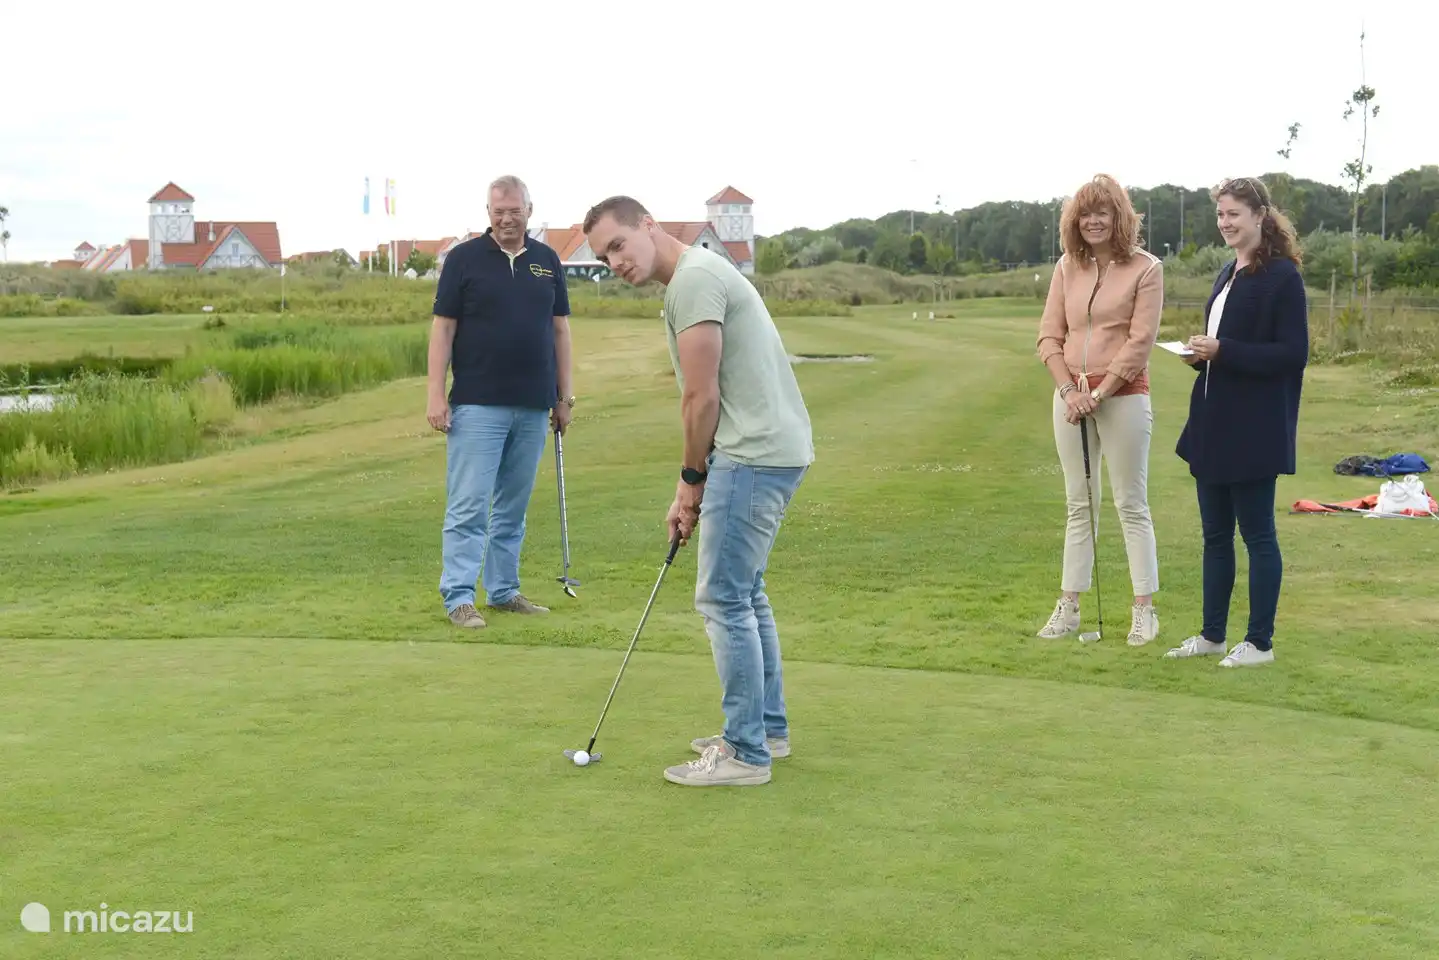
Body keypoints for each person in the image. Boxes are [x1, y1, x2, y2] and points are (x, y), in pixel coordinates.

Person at [581, 195, 814, 788]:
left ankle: (746, 753)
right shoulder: (698, 276)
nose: (614, 262)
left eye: (617, 245)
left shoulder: (693, 280)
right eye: (603, 258)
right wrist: (691, 482)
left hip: (752, 453)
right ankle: (766, 731)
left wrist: (690, 482)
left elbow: (701, 397)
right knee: (746, 593)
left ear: (648, 225)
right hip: (766, 449)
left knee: (724, 598)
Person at [1167, 177, 1308, 668]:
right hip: (1213, 425)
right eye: (1220, 215)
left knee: (1258, 536)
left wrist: (1224, 350)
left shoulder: (1283, 277)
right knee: (1214, 537)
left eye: (1233, 214)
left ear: (1260, 216)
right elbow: (1224, 352)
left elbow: (1292, 354)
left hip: (1254, 430)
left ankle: (1260, 644)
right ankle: (1212, 636)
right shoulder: (1227, 273)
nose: (1224, 223)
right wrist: (1200, 357)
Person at [427, 175, 576, 629]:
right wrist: (435, 393)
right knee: (469, 506)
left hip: (533, 404)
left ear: (529, 210)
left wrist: (564, 397)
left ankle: (504, 590)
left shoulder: (547, 260)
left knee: (512, 507)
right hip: (477, 403)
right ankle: (459, 597)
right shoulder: (463, 259)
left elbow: (560, 330)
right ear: (488, 213)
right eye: (499, 211)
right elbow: (443, 329)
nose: (507, 219)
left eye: (515, 211)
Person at [1034, 174, 1164, 646]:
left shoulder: (1147, 269)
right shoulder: (1067, 267)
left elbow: (1139, 343)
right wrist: (1070, 391)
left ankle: (1144, 611)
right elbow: (1049, 337)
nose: (1093, 221)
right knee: (1079, 503)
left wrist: (1101, 392)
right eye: (1085, 214)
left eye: (1102, 213)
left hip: (1123, 396)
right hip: (1071, 397)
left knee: (1131, 503)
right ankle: (1069, 606)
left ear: (1119, 218)